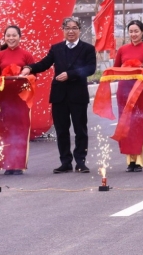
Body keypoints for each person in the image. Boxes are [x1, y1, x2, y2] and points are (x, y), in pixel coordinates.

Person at [23, 17, 96, 173]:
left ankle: (80, 162)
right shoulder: (56, 48)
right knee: (61, 130)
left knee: (80, 130)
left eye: (74, 28)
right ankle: (65, 162)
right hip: (59, 95)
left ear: (79, 30)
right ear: (63, 30)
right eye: (67, 28)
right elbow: (44, 64)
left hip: (78, 95)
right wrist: (29, 68)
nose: (71, 31)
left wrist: (70, 74)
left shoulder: (87, 49)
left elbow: (90, 69)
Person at [112, 20, 143, 172]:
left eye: (136, 31)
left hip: (140, 90)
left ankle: (138, 160)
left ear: (142, 32)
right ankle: (129, 160)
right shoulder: (122, 49)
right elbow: (116, 69)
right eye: (131, 31)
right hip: (124, 91)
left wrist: (138, 70)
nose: (133, 34)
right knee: (126, 124)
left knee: (139, 123)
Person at [0, 25, 35, 175]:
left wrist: (23, 77)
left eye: (14, 35)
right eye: (8, 35)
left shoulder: (27, 55)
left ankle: (18, 164)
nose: (11, 38)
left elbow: (34, 77)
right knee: (5, 129)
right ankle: (7, 164)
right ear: (4, 37)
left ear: (20, 37)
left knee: (21, 129)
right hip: (4, 99)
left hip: (21, 99)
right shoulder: (1, 54)